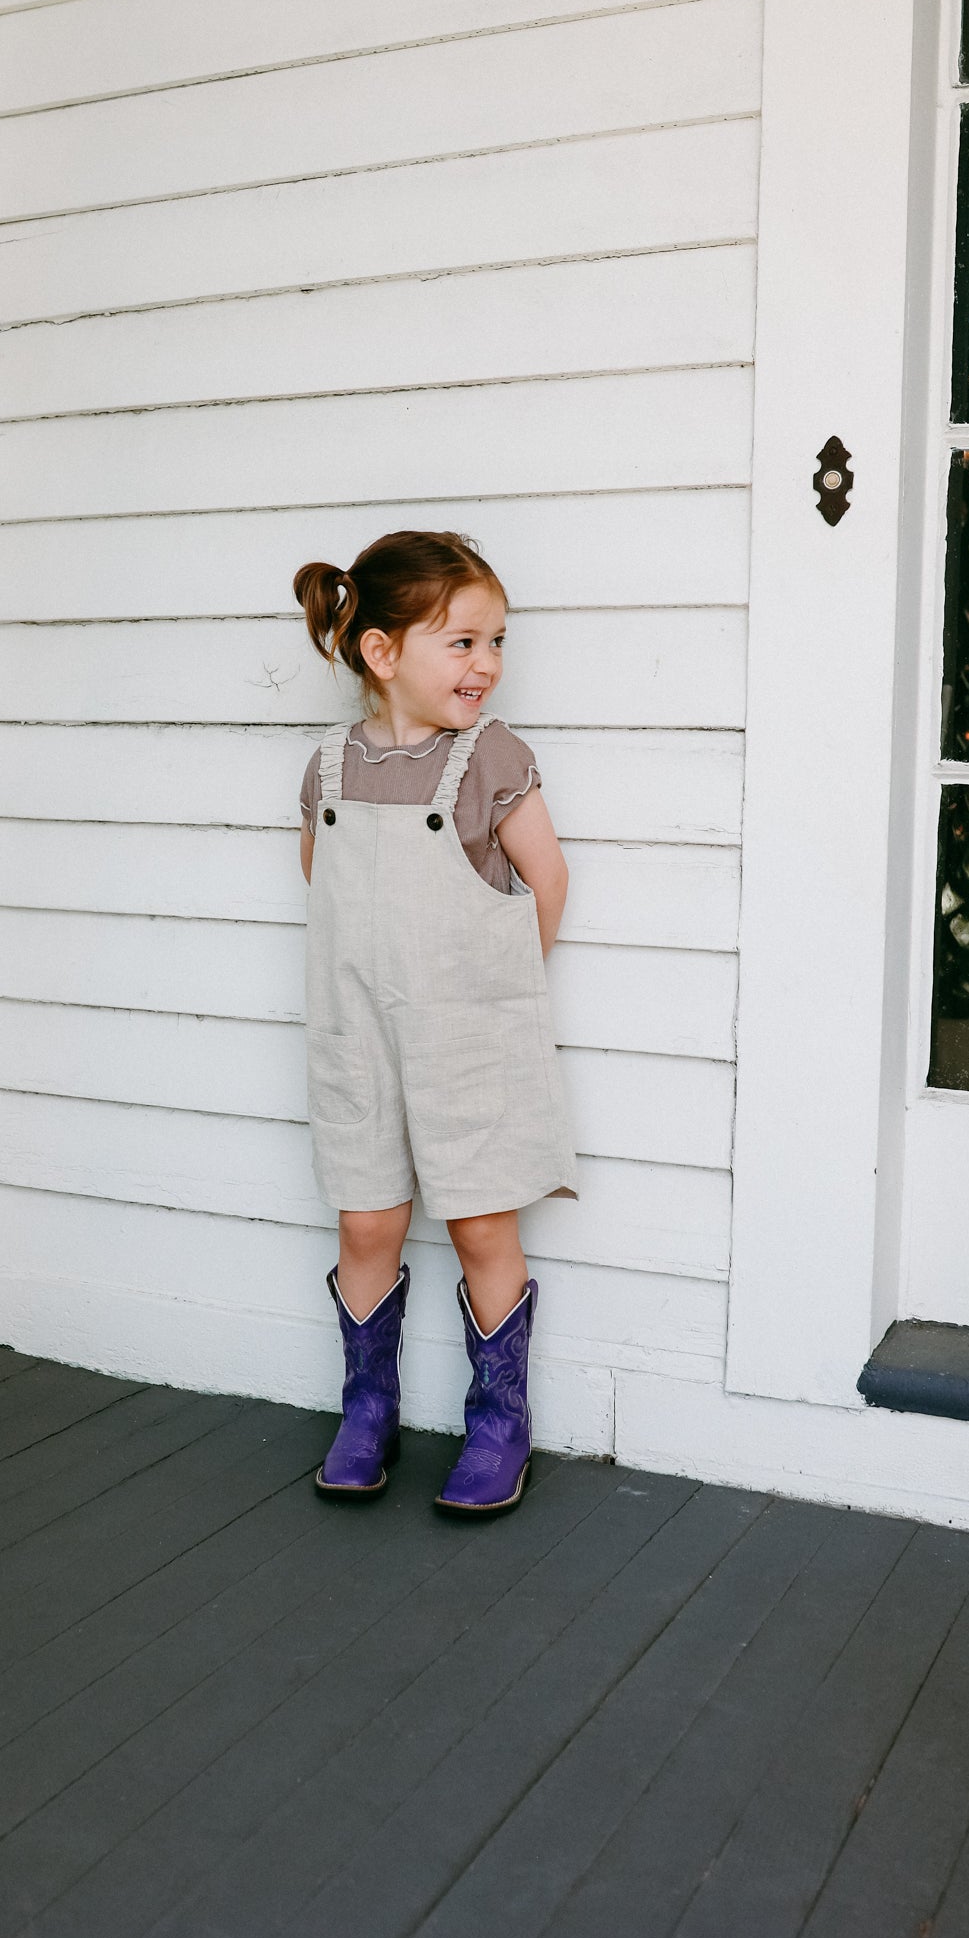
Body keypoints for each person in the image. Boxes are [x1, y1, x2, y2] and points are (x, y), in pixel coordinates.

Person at [294, 530, 578, 1516]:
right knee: (369, 1217)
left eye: (495, 640)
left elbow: (544, 882)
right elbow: (322, 881)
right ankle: (366, 1406)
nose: (486, 663)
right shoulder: (328, 768)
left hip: (463, 1033)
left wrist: (485, 993)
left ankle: (499, 1421)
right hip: (358, 1032)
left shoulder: (489, 758)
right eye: (460, 641)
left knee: (478, 1218)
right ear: (382, 651)